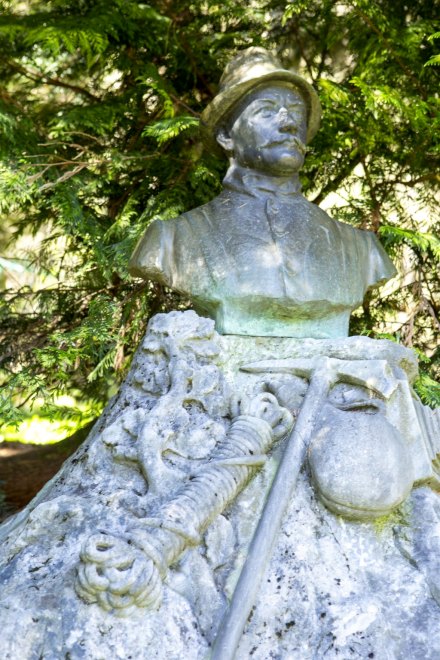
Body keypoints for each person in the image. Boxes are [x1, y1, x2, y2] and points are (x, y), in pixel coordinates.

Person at [129, 48, 396, 338]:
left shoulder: (360, 249)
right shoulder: (174, 239)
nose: (289, 123)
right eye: (266, 110)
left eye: (296, 111)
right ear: (226, 136)